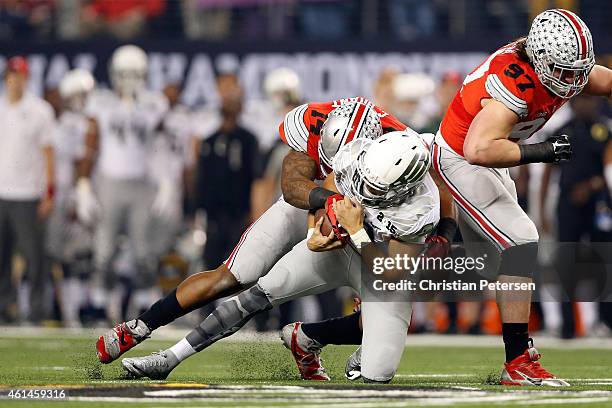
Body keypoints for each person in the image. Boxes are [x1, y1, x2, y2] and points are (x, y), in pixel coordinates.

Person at [95, 98, 412, 364]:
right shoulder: (315, 120)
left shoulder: (401, 151)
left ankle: (310, 338)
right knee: (231, 277)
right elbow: (291, 186)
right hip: (308, 210)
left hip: (368, 227)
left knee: (389, 306)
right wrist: (328, 204)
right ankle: (138, 326)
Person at [430, 9, 612, 386]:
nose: (573, 81)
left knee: (494, 264)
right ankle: (518, 362)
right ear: (542, 60)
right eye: (565, 71)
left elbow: (603, 80)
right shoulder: (515, 82)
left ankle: (316, 333)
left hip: (493, 157)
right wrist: (543, 151)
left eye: (578, 70)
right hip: (461, 157)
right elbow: (477, 148)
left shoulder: (564, 69)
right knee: (522, 242)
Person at [87, 45, 168, 323]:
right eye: (123, 73)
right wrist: (84, 184)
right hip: (109, 180)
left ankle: (146, 306)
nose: (128, 79)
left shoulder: (154, 103)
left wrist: (165, 182)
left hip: (141, 183)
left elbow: (161, 145)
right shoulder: (101, 102)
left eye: (134, 73)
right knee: (104, 248)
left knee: (143, 250)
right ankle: (99, 304)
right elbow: (92, 143)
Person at [539, 94, 612, 338]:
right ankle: (567, 325)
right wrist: (541, 210)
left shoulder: (604, 129)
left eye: (591, 100)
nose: (587, 104)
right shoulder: (561, 131)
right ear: (572, 103)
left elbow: (609, 167)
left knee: (604, 263)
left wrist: (592, 186)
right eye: (581, 100)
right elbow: (548, 172)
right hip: (568, 204)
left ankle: (606, 322)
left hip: (599, 204)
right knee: (566, 263)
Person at [0, 56, 56, 323]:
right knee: (1, 255)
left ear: (27, 78)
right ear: (6, 77)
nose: (16, 80)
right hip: (1, 192)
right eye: (13, 75)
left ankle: (35, 309)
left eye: (21, 75)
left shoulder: (40, 110)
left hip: (27, 193)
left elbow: (48, 154)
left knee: (33, 257)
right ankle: (4, 307)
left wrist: (49, 192)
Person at [46, 68, 99, 327]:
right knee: (59, 255)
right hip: (64, 195)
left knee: (80, 257)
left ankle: (76, 310)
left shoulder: (88, 121)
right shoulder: (63, 124)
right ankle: (65, 311)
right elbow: (78, 159)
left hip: (79, 193)